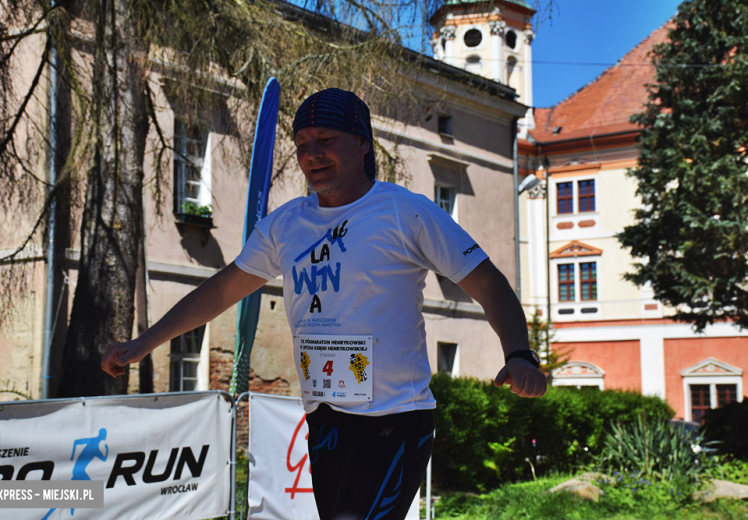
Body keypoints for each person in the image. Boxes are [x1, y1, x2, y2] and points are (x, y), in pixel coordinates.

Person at [101, 88, 546, 520]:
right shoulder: (285, 225)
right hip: (326, 418)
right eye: (302, 144)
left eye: (327, 140)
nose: (312, 153)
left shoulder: (404, 212)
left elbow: (489, 285)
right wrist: (145, 342)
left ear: (362, 144)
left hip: (394, 419)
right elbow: (220, 291)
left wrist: (519, 353)